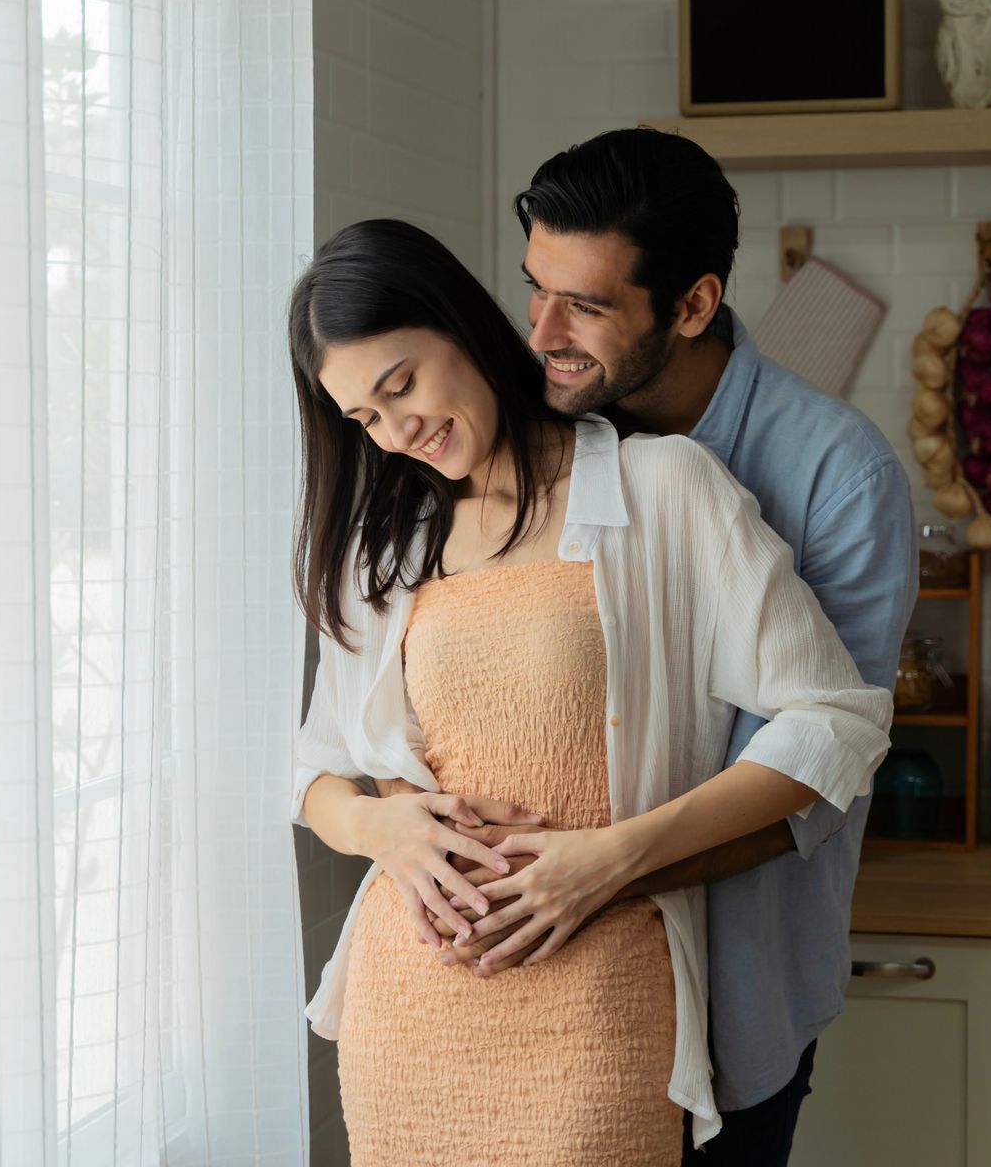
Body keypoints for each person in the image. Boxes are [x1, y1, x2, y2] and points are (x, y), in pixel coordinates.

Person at [288, 217, 892, 1163]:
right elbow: (318, 777)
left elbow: (837, 721)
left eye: (400, 382)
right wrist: (385, 832)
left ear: (460, 325)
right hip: (409, 1011)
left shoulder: (664, 489)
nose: (398, 431)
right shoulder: (390, 549)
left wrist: (614, 858)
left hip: (602, 1003)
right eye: (363, 417)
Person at [451, 126, 918, 1163]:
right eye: (536, 287)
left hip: (734, 998)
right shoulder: (529, 436)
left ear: (694, 304)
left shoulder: (838, 473)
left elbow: (813, 770)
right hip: (532, 990)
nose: (543, 330)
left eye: (588, 304)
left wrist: (599, 870)